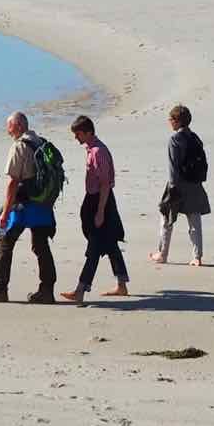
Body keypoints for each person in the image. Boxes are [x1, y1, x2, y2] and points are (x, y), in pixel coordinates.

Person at [0, 111, 58, 304]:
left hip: (25, 204)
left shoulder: (20, 146)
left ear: (19, 126)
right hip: (44, 204)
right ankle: (47, 291)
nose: (7, 131)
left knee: (5, 243)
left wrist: (5, 213)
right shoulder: (41, 142)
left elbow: (13, 182)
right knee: (41, 247)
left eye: (9, 127)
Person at [59, 115, 128, 304]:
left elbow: (105, 185)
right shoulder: (92, 149)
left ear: (88, 132)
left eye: (78, 134)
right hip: (96, 200)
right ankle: (122, 284)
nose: (76, 138)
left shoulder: (98, 152)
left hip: (101, 201)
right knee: (110, 243)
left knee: (94, 248)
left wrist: (100, 212)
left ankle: (80, 290)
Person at [151, 104, 209, 266]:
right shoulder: (195, 137)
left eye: (170, 119)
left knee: (166, 219)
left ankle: (162, 254)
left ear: (176, 121)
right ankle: (197, 257)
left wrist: (172, 187)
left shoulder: (175, 139)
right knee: (194, 220)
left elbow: (173, 166)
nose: (169, 122)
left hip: (177, 184)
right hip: (195, 183)